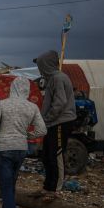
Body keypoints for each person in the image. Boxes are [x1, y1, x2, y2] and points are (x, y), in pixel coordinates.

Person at [0, 77, 47, 208]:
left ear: (12, 88)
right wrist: (27, 135)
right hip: (21, 148)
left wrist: (0, 135)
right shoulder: (32, 107)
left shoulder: (2, 104)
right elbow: (42, 130)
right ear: (26, 89)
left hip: (5, 148)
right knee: (11, 184)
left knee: (5, 186)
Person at [34, 50, 77, 199]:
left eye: (40, 65)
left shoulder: (58, 78)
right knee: (47, 155)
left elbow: (60, 103)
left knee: (56, 154)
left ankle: (55, 190)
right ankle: (48, 187)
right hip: (53, 123)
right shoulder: (52, 79)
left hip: (60, 122)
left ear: (46, 64)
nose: (39, 68)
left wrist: (48, 119)